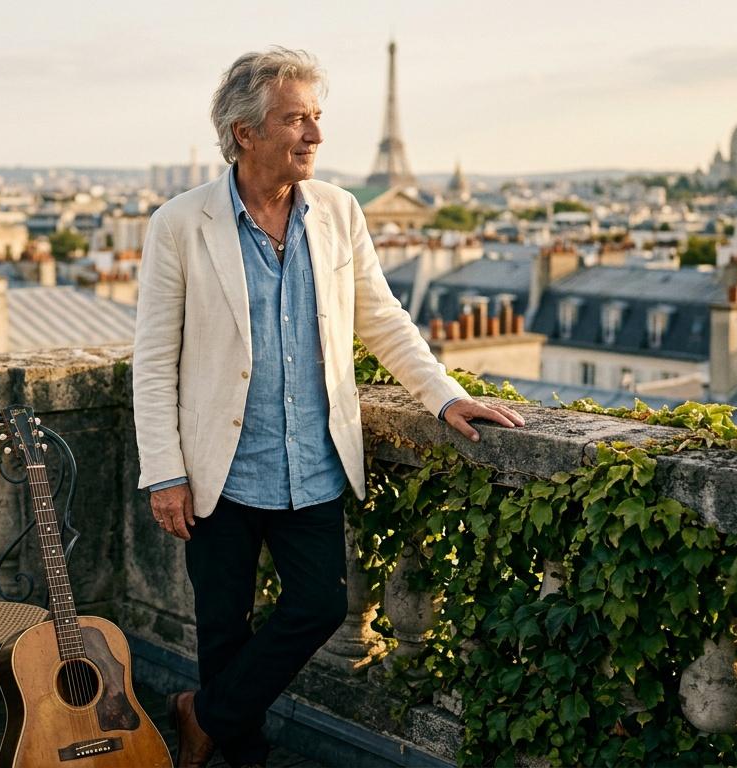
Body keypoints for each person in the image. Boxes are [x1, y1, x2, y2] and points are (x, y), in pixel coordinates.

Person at [132, 47, 525, 768]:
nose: (314, 135)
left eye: (316, 118)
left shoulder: (340, 212)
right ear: (245, 133)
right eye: (295, 120)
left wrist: (445, 397)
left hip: (309, 458)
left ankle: (201, 714)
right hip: (218, 466)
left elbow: (383, 318)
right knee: (222, 627)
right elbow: (154, 359)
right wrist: (164, 471)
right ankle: (237, 749)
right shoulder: (181, 223)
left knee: (318, 605)